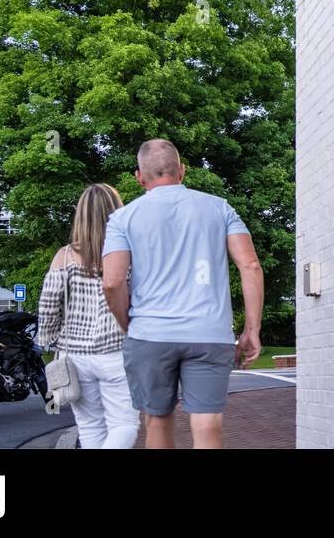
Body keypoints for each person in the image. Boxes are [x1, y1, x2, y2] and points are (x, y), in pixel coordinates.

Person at [102, 139, 264, 449]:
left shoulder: (123, 218)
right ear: (182, 171)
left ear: (139, 177)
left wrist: (128, 324)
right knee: (207, 425)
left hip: (150, 334)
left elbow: (112, 282)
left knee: (157, 422)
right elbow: (250, 265)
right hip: (209, 333)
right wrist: (251, 330)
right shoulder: (220, 208)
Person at [37, 183, 139, 449]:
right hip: (118, 350)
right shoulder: (129, 254)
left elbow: (48, 305)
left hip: (75, 355)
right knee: (125, 424)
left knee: (90, 426)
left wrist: (50, 339)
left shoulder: (65, 256)